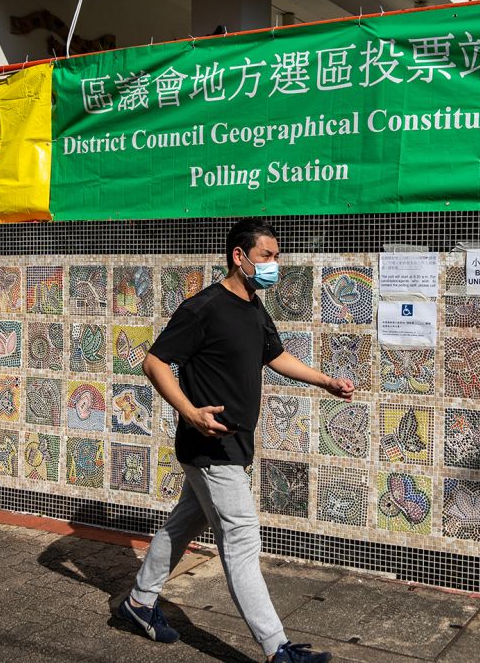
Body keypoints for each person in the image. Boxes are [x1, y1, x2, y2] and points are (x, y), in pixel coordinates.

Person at [119, 218, 354, 663]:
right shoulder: (203, 307)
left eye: (277, 256)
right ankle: (276, 648)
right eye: (267, 256)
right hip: (212, 445)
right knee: (242, 539)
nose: (274, 265)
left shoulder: (253, 308)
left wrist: (325, 381)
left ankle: (139, 603)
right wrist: (189, 412)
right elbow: (155, 363)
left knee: (185, 522)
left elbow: (276, 355)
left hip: (232, 446)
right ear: (239, 256)